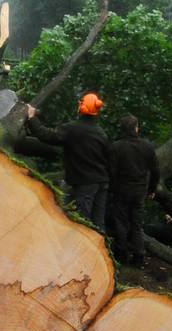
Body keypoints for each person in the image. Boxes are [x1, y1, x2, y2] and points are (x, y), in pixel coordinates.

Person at [25, 92, 110, 228]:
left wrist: (31, 118)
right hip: (101, 182)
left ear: (81, 106)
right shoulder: (101, 133)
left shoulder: (72, 129)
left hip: (85, 182)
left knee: (83, 221)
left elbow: (47, 135)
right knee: (98, 224)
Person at [108, 115, 159, 266]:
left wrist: (112, 189)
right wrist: (152, 189)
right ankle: (139, 256)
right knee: (137, 224)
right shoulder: (147, 146)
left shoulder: (116, 147)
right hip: (139, 191)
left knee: (121, 222)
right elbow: (155, 171)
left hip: (121, 190)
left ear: (123, 129)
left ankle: (121, 255)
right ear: (136, 128)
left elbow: (111, 172)